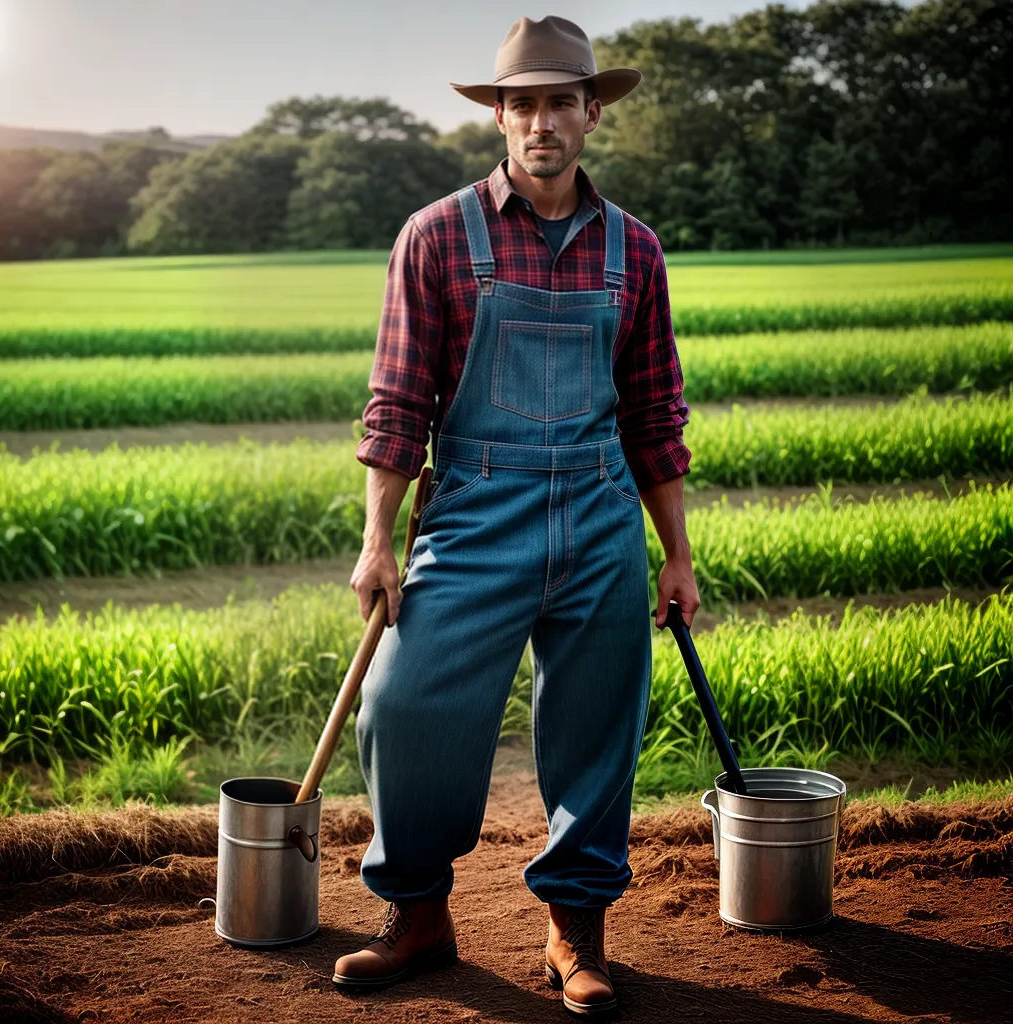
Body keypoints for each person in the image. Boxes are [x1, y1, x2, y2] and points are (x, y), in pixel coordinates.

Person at [334, 14, 700, 1016]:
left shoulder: (636, 249)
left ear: (591, 114)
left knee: (596, 730)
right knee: (401, 709)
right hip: (474, 510)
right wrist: (377, 540)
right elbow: (398, 402)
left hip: (594, 514)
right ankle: (417, 911)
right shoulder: (438, 234)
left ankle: (574, 927)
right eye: (521, 103)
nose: (540, 121)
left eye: (559, 102)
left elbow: (655, 413)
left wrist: (674, 555)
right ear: (499, 117)